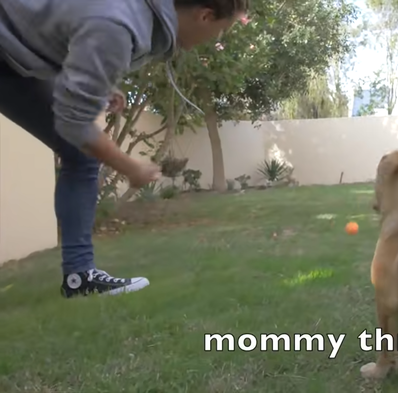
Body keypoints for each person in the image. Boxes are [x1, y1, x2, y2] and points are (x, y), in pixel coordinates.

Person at [0, 0, 249, 298]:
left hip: (13, 54)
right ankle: (80, 276)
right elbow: (74, 123)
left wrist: (101, 83)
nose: (218, 39)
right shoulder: (120, 24)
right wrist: (131, 167)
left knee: (80, 156)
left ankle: (80, 278)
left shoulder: (134, 16)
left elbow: (70, 29)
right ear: (205, 16)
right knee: (80, 148)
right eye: (224, 30)